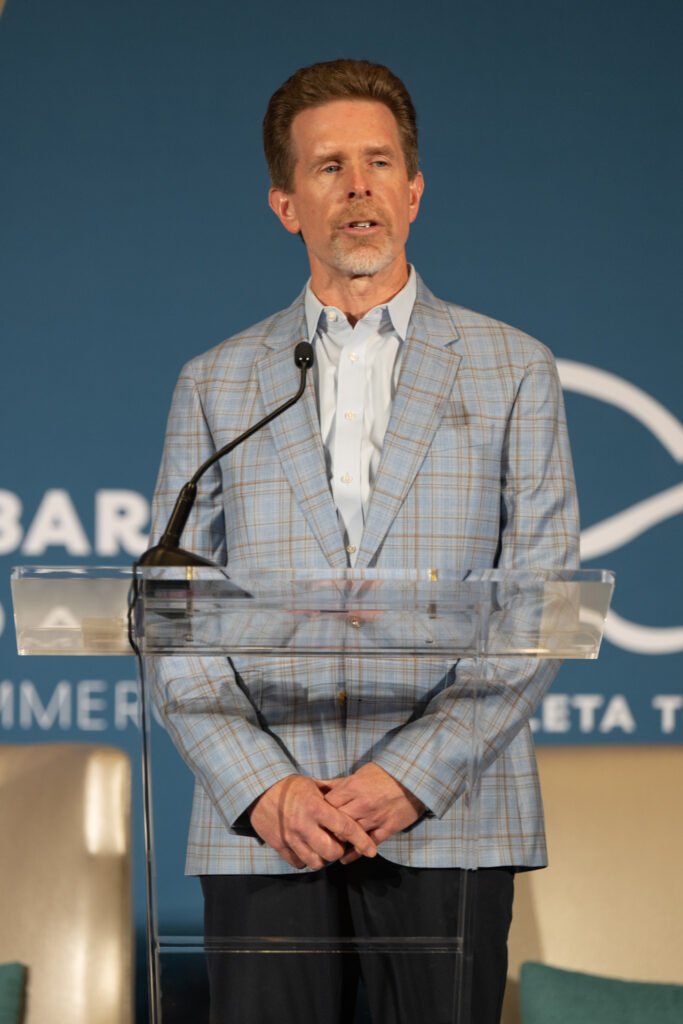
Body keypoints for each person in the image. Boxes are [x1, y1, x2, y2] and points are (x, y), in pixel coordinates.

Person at [149, 58, 579, 1024]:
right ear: (285, 205)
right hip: (267, 828)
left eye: (379, 163)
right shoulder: (215, 382)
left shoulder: (513, 369)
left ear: (413, 192)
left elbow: (540, 603)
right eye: (328, 167)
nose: (357, 188)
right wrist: (265, 788)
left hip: (449, 818)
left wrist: (408, 777)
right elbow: (172, 619)